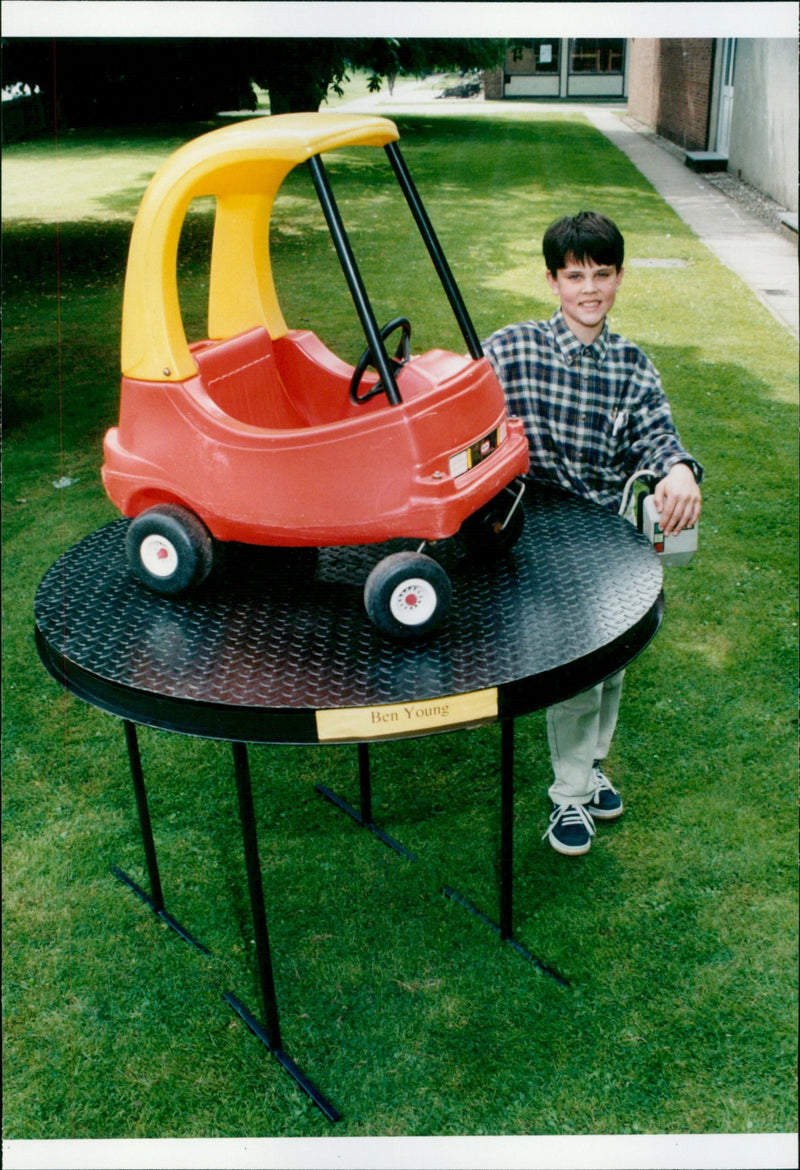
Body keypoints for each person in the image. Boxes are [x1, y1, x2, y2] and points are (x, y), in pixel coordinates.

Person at [483, 210, 702, 856]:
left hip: (609, 541)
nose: (588, 288)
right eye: (574, 275)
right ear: (552, 282)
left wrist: (680, 471)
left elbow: (659, 437)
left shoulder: (633, 367)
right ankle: (569, 797)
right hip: (536, 540)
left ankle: (590, 765)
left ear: (619, 278)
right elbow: (459, 408)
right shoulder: (509, 349)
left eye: (601, 275)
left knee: (613, 666)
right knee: (579, 672)